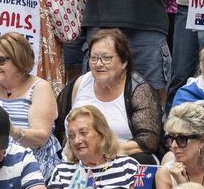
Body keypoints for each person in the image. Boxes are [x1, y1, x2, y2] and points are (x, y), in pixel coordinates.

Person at [48, 105, 155, 189]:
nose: (77, 140)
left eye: (83, 133)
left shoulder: (133, 168)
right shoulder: (60, 172)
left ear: (102, 134)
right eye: (72, 136)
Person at [55, 29, 162, 158]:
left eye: (106, 58)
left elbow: (149, 140)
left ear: (124, 62)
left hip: (120, 160)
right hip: (77, 161)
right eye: (94, 58)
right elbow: (57, 125)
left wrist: (103, 151)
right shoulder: (79, 84)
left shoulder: (138, 90)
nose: (99, 64)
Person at [0, 33, 62, 178]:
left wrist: (11, 130)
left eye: (0, 60)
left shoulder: (40, 87)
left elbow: (40, 139)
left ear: (19, 60)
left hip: (31, 158)